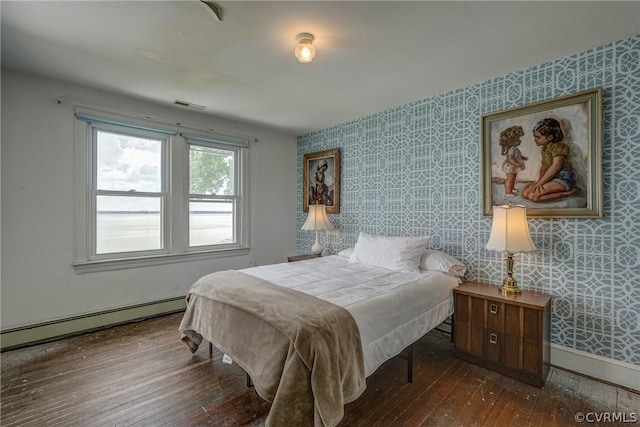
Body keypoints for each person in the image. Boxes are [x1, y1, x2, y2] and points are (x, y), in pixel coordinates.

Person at [522, 118, 579, 202]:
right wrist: (539, 182)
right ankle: (546, 187)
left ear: (550, 137)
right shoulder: (545, 149)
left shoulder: (559, 147)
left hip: (564, 178)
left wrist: (540, 183)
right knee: (525, 193)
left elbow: (555, 167)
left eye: (538, 137)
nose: (535, 140)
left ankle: (568, 193)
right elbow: (544, 168)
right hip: (551, 178)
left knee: (533, 196)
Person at [499, 126, 527, 197]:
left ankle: (512, 188)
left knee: (513, 178)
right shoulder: (512, 149)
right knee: (510, 179)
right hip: (510, 166)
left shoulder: (514, 148)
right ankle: (508, 192)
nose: (519, 140)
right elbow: (511, 158)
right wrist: (517, 164)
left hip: (513, 166)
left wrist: (522, 157)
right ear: (511, 140)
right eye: (517, 139)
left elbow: (516, 156)